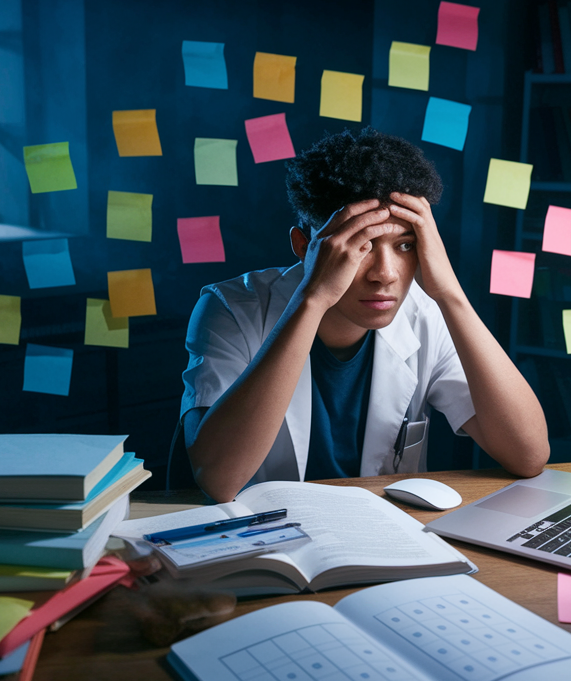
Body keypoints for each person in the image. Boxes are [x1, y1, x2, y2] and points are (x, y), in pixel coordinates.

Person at [181, 128, 549, 503]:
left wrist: (450, 294)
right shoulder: (229, 308)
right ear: (304, 246)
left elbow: (528, 455)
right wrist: (314, 297)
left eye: (405, 245)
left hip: (384, 538)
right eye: (362, 245)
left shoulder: (426, 313)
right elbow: (218, 480)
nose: (385, 273)